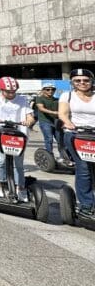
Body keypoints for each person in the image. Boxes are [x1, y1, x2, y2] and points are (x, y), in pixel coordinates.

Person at [0, 76, 34, 201]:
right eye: (8, 92)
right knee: (0, 160)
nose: (12, 94)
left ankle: (20, 187)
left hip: (18, 134)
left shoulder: (22, 99)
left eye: (13, 91)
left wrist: (28, 121)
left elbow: (30, 116)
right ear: (1, 89)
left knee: (18, 162)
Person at [60, 68, 95, 217]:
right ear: (72, 82)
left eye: (86, 80)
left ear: (91, 81)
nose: (82, 83)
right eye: (78, 80)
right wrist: (67, 122)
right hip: (77, 135)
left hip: (93, 134)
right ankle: (87, 205)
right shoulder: (67, 96)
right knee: (84, 169)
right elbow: (63, 113)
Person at [35, 82, 70, 165]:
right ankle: (50, 158)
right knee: (49, 139)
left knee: (60, 141)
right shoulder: (39, 98)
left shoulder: (57, 100)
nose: (50, 91)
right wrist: (54, 112)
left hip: (56, 122)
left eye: (53, 89)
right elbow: (41, 108)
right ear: (43, 90)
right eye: (48, 89)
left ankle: (64, 158)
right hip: (45, 121)